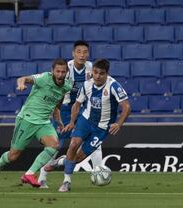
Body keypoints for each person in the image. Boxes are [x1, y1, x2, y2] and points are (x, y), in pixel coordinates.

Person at [0, 58, 72, 187]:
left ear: (67, 72)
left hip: (43, 122)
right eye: (58, 71)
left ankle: (30, 173)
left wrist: (59, 121)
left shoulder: (66, 86)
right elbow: (23, 78)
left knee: (53, 145)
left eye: (63, 72)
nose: (60, 75)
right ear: (52, 71)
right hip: (27, 119)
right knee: (13, 156)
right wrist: (21, 84)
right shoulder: (44, 78)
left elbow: (56, 105)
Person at [55, 59, 131, 192]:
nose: (97, 76)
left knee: (77, 159)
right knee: (73, 144)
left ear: (107, 74)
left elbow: (126, 107)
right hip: (86, 120)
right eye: (95, 72)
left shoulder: (114, 86)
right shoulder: (87, 84)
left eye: (101, 73)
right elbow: (77, 105)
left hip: (101, 128)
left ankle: (60, 162)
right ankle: (66, 182)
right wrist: (72, 122)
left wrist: (119, 124)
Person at [38, 40, 104, 188]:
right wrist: (55, 113)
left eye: (85, 52)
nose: (82, 55)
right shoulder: (64, 69)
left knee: (94, 142)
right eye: (79, 52)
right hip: (65, 109)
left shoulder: (92, 69)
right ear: (73, 53)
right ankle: (42, 177)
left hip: (84, 110)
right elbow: (54, 91)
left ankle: (96, 174)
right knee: (55, 145)